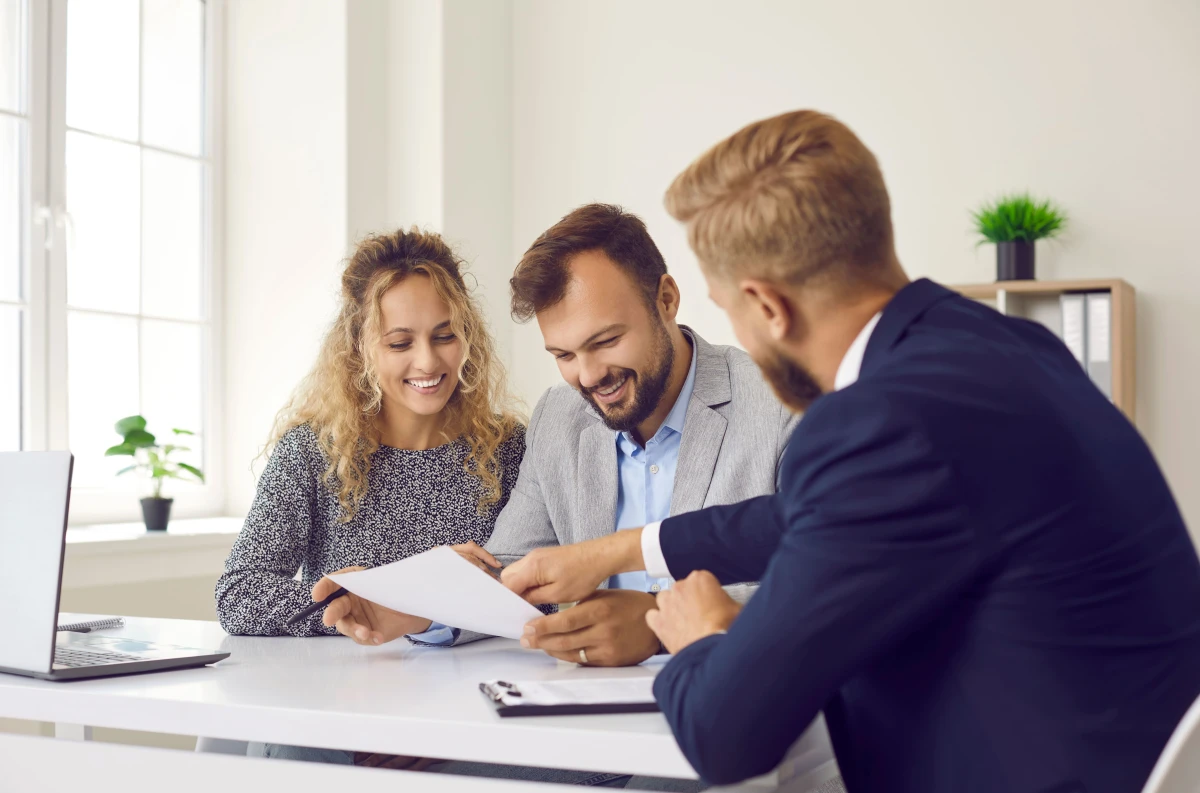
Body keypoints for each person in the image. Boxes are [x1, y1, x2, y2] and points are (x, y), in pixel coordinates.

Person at [499, 111, 1200, 793]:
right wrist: (626, 550)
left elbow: (724, 734)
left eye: (725, 303)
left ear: (768, 307)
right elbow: (802, 519)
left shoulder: (880, 422)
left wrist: (703, 636)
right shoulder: (1001, 345)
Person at [322, 204, 796, 672]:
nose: (589, 377)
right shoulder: (560, 415)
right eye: (564, 354)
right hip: (578, 724)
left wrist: (656, 626)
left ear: (666, 300)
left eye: (606, 341)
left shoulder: (780, 400)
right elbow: (510, 568)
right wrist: (416, 606)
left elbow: (824, 578)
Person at [215, 228, 524, 643]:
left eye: (445, 336)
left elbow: (541, 600)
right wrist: (383, 596)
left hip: (478, 692)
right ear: (360, 349)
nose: (428, 361)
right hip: (352, 695)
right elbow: (239, 595)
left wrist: (413, 596)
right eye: (400, 343)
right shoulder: (312, 452)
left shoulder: (508, 448)